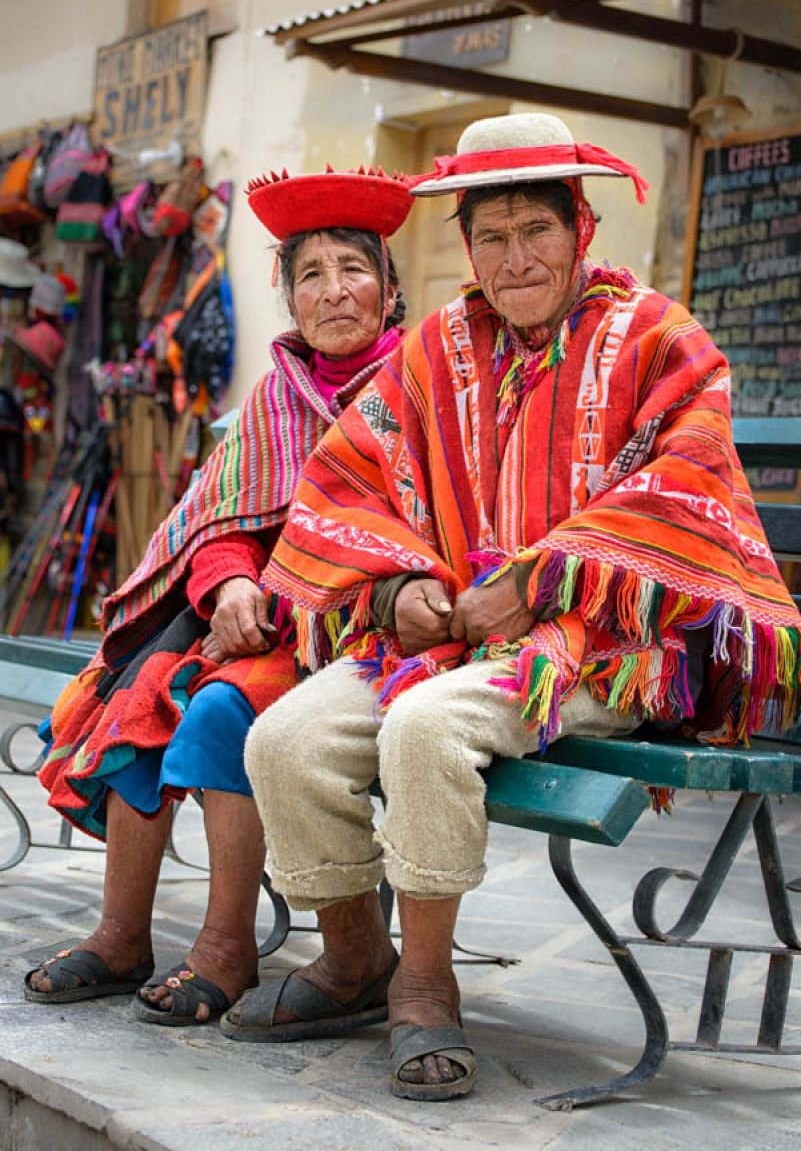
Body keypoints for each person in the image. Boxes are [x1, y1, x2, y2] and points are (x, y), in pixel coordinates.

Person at [222, 113, 801, 1100]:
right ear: (466, 248)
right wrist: (401, 587)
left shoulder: (662, 340)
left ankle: (427, 988)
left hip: (602, 644)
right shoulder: (434, 351)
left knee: (424, 727)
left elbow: (690, 483)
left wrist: (537, 579)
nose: (515, 256)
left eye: (536, 228)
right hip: (452, 641)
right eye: (491, 236)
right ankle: (354, 958)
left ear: (580, 227)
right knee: (284, 736)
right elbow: (345, 479)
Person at [23, 164, 414, 1026]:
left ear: (389, 292)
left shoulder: (419, 391)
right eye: (308, 274)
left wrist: (313, 591)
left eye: (353, 270)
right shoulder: (276, 398)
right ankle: (122, 935)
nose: (332, 291)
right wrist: (230, 579)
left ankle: (226, 949)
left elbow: (427, 535)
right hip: (265, 623)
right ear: (289, 298)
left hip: (370, 635)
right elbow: (218, 520)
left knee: (216, 711)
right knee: (136, 696)